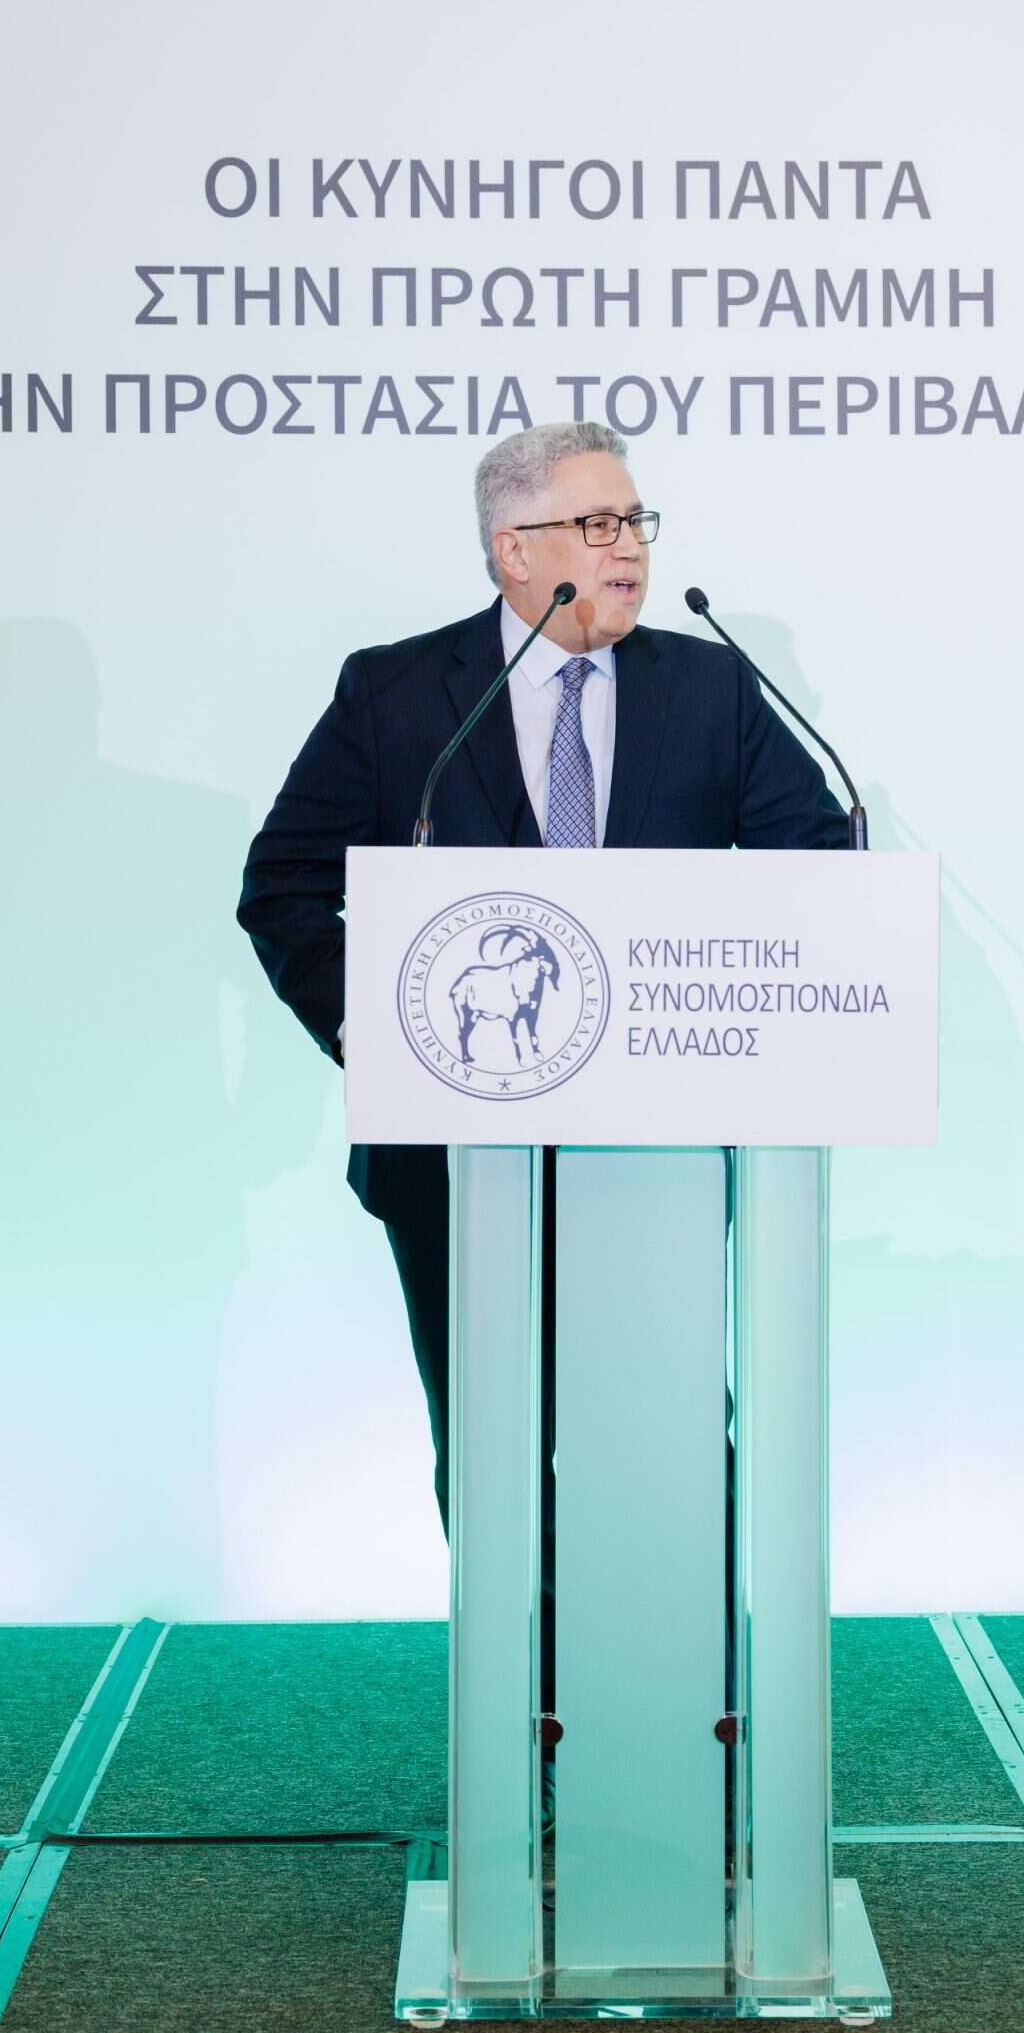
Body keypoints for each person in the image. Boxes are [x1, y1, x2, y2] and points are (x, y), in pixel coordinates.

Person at [237, 420, 850, 1550]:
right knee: (494, 1442)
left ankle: (687, 1662)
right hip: (455, 1147)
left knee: (672, 1431)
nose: (631, 549)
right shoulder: (398, 693)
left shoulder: (709, 688)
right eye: (598, 523)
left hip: (659, 1144)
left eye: (636, 522)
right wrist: (381, 1034)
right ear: (513, 551)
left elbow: (820, 870)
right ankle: (526, 1665)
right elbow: (283, 888)